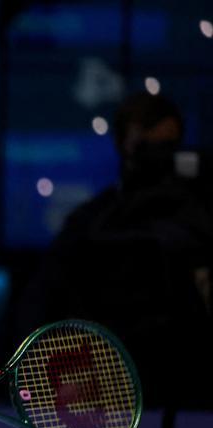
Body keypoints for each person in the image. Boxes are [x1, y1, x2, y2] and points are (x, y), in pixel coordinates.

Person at [19, 92, 213, 408]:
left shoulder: (199, 218)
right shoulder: (92, 223)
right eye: (144, 148)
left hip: (187, 389)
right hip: (107, 390)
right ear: (123, 145)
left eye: (166, 148)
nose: (155, 159)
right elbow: (41, 301)